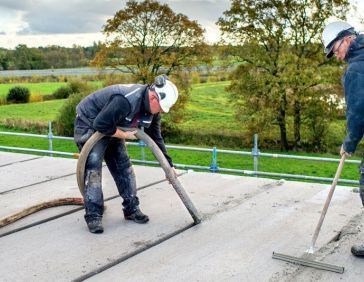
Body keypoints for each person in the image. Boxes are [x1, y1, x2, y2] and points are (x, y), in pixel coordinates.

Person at [74, 75, 178, 234]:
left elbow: (155, 138)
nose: (161, 112)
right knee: (93, 167)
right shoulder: (125, 100)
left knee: (123, 165)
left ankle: (131, 208)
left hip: (113, 125)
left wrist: (169, 166)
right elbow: (101, 124)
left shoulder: (152, 109)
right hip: (90, 122)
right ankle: (93, 215)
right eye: (161, 108)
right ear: (153, 97)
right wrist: (124, 135)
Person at [322, 21, 364, 256]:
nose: (337, 56)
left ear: (347, 38)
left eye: (336, 49)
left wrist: (348, 143)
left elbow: (358, 111)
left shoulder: (357, 69)